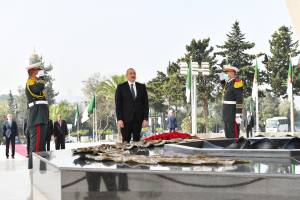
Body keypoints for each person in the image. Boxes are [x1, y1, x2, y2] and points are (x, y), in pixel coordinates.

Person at [25, 60, 49, 169]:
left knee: (41, 146)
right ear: (33, 72)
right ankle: (34, 170)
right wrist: (42, 79)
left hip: (41, 117)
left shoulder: (34, 81)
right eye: (38, 71)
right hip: (37, 118)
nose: (40, 72)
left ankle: (41, 169)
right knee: (36, 146)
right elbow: (38, 88)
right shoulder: (30, 81)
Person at [115, 68, 149, 143]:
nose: (133, 75)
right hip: (125, 121)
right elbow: (118, 105)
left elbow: (146, 104)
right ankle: (126, 155)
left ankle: (136, 155)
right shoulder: (121, 87)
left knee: (137, 142)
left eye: (134, 73)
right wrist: (119, 119)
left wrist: (145, 119)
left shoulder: (142, 87)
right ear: (126, 76)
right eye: (131, 73)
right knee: (126, 142)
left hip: (138, 120)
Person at [221, 65, 243, 139]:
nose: (227, 74)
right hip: (226, 113)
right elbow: (224, 89)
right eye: (226, 72)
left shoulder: (237, 82)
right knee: (227, 136)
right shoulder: (228, 83)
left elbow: (239, 99)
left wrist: (238, 114)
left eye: (228, 72)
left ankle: (236, 150)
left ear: (233, 73)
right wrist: (222, 80)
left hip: (232, 113)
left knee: (233, 135)